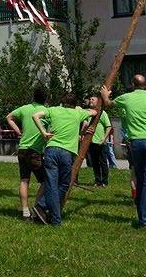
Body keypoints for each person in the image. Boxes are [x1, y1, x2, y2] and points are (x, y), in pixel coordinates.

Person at [101, 75, 146, 228]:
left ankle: (142, 216)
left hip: (136, 142)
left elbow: (108, 104)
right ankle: (145, 218)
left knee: (139, 178)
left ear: (133, 84)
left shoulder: (126, 98)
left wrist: (105, 95)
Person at [31, 93, 99, 226]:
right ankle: (50, 215)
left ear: (62, 102)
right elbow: (95, 111)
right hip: (67, 152)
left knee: (52, 184)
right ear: (75, 104)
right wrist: (80, 109)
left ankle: (44, 208)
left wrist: (44, 132)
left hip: (51, 150)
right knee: (63, 184)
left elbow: (35, 116)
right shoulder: (77, 114)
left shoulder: (54, 110)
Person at [6, 86, 48, 220]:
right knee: (45, 181)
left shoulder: (24, 108)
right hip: (35, 151)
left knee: (24, 180)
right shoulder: (46, 111)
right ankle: (37, 208)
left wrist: (18, 131)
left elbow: (9, 117)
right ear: (45, 99)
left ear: (33, 97)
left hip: (22, 149)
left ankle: (25, 211)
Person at [86, 95, 112, 187]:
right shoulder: (88, 113)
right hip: (91, 142)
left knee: (103, 162)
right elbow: (86, 125)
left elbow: (108, 126)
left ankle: (105, 181)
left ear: (97, 102)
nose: (90, 100)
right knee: (95, 163)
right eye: (90, 99)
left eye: (93, 99)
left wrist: (104, 138)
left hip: (101, 142)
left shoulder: (102, 113)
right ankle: (97, 181)